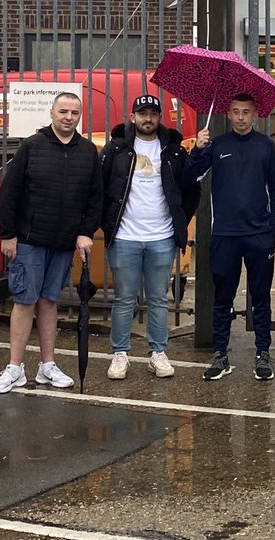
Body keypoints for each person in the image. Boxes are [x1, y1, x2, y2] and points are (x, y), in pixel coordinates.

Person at [0, 92, 102, 394]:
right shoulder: (32, 146)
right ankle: (15, 367)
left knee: (50, 301)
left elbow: (95, 198)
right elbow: (9, 193)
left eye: (74, 113)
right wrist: (8, 234)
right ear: (52, 113)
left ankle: (47, 366)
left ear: (80, 117)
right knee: (25, 301)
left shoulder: (88, 152)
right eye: (63, 111)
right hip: (28, 240)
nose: (68, 117)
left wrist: (85, 232)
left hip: (64, 243)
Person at [100, 94, 200, 381]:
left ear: (160, 117)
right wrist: (107, 225)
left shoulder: (174, 152)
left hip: (162, 237)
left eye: (153, 113)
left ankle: (158, 353)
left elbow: (191, 190)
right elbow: (101, 186)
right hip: (125, 237)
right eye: (142, 113)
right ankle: (120, 354)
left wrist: (179, 219)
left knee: (158, 299)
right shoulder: (116, 149)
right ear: (132, 116)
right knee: (124, 299)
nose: (148, 118)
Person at [186, 93, 275, 382]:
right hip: (225, 234)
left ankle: (263, 353)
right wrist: (197, 150)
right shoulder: (216, 145)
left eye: (246, 112)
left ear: (255, 115)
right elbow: (189, 177)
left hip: (258, 235)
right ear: (227, 114)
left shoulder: (266, 147)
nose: (241, 118)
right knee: (223, 297)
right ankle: (220, 354)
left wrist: (273, 227)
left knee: (261, 297)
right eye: (236, 112)